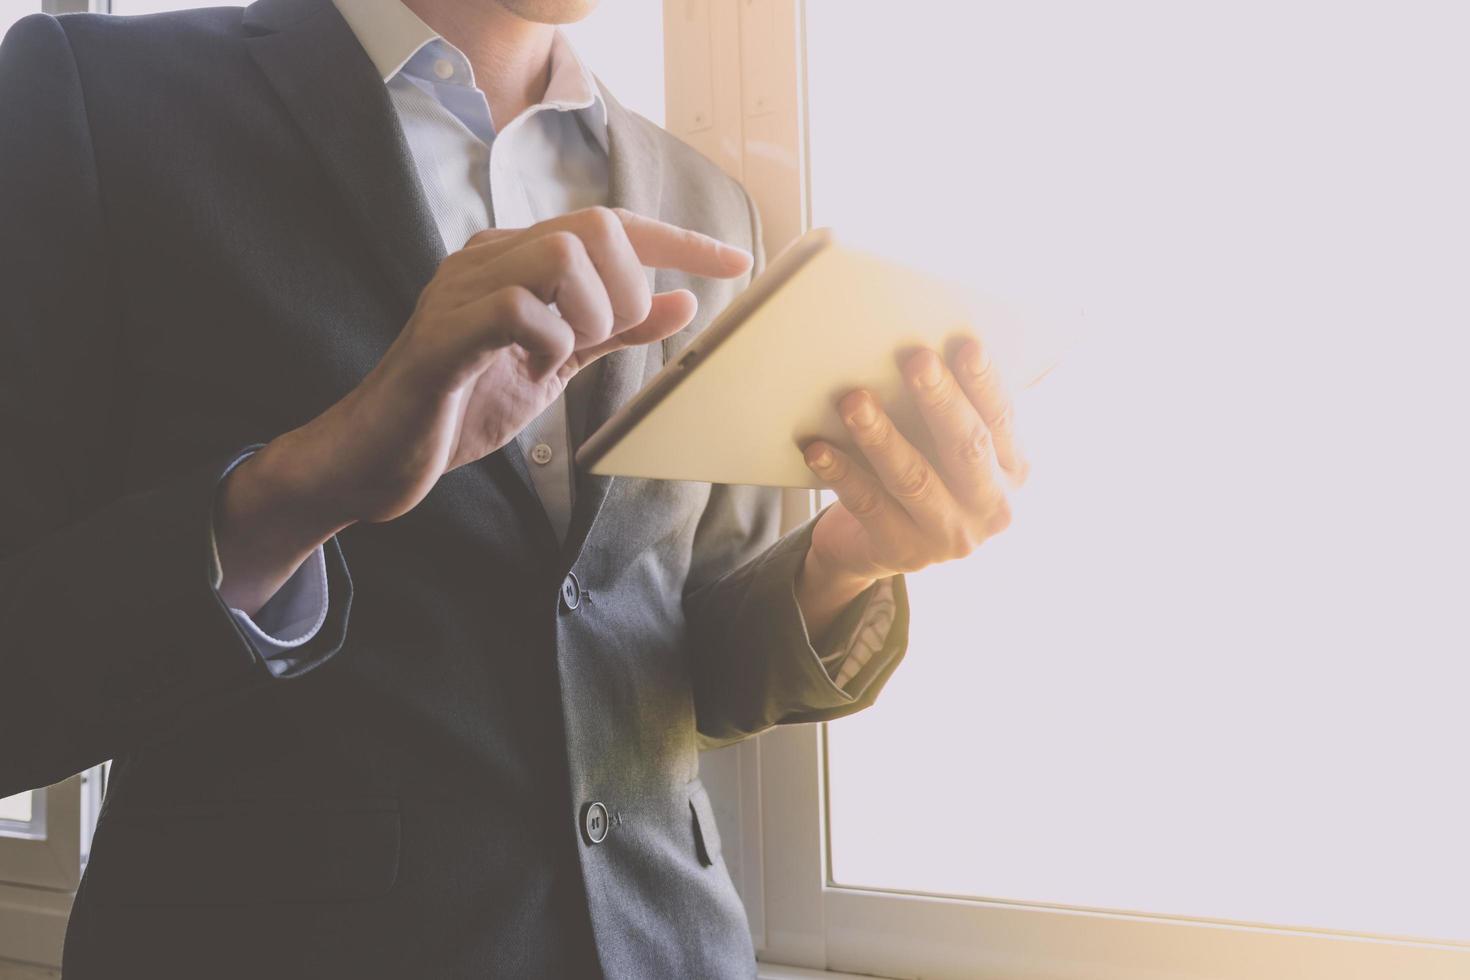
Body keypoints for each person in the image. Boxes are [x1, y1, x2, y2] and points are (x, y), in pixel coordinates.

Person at [0, 0, 1024, 975]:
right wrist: (313, 478)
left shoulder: (705, 201)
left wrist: (851, 560)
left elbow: (679, 663)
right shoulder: (100, 101)